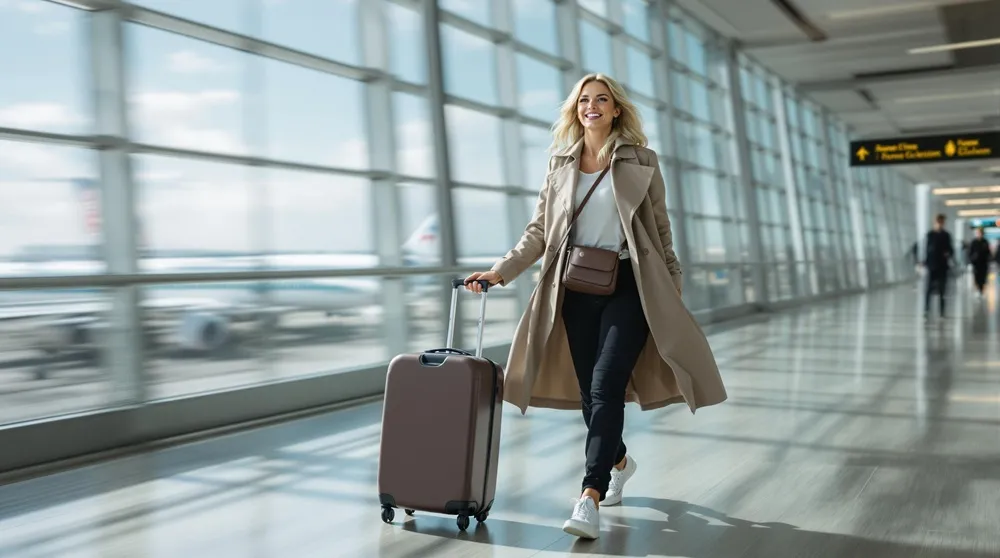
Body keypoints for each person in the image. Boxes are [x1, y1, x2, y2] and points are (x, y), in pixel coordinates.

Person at [463, 73, 727, 540]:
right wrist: (499, 271)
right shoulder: (559, 164)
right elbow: (539, 233)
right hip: (574, 288)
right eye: (584, 100)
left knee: (606, 384)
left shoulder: (641, 161)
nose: (592, 107)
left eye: (601, 100)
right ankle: (620, 461)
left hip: (631, 285)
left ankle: (590, 495)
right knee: (591, 395)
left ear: (616, 109)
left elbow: (661, 232)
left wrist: (672, 288)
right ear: (575, 110)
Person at [922, 213, 954, 318]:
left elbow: (951, 250)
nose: (940, 224)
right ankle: (926, 309)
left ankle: (942, 311)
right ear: (935, 222)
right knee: (928, 289)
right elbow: (927, 250)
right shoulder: (930, 234)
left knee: (942, 289)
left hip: (942, 266)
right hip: (931, 265)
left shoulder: (946, 236)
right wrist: (925, 262)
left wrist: (948, 254)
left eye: (942, 222)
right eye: (939, 221)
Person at [968, 227, 991, 297]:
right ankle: (978, 289)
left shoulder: (985, 242)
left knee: (983, 277)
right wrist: (972, 259)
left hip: (984, 263)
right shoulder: (974, 242)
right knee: (976, 277)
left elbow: (988, 252)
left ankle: (981, 290)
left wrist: (988, 258)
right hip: (976, 264)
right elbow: (970, 253)